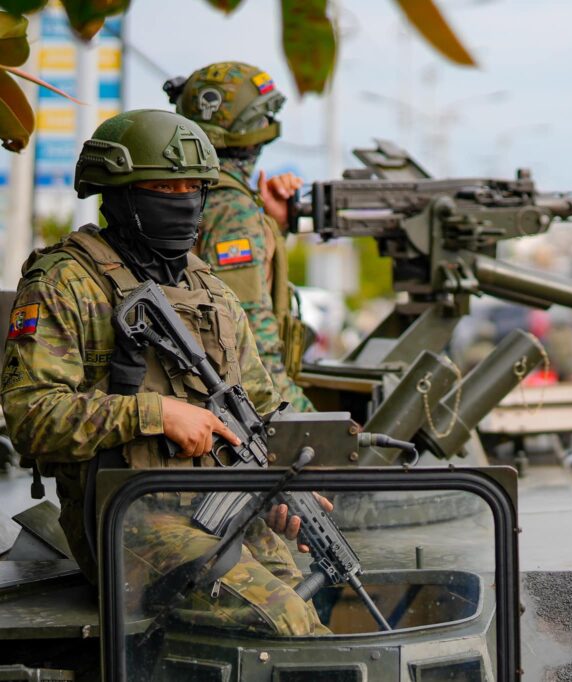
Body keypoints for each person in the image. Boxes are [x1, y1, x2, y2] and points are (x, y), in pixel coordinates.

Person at [0, 110, 327, 636]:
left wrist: (286, 485)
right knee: (283, 619)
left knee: (312, 613)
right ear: (120, 194)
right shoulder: (66, 282)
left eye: (192, 188)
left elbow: (262, 408)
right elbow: (30, 417)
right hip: (127, 519)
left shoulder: (211, 290)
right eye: (162, 187)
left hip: (224, 510)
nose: (182, 201)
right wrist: (155, 414)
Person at [166, 62, 313, 412]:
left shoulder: (200, 191)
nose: (268, 126)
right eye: (262, 118)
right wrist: (303, 418)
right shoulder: (231, 206)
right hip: (234, 407)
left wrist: (273, 223)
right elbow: (250, 340)